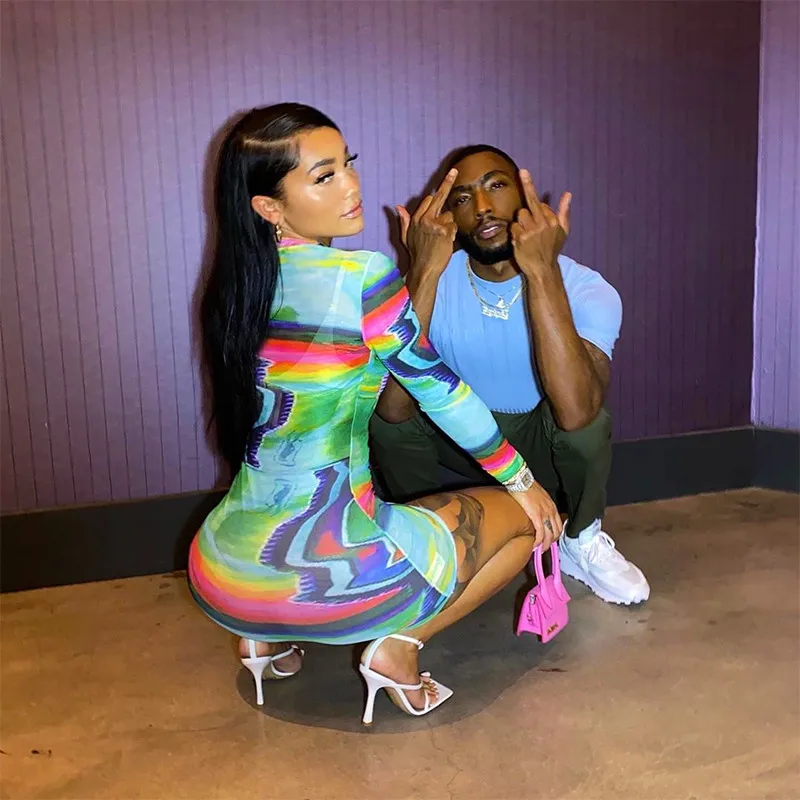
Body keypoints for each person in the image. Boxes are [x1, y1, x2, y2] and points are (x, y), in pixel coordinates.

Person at [188, 104, 563, 726]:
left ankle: (262, 643)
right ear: (269, 207)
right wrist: (521, 481)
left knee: (361, 507)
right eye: (324, 176)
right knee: (525, 526)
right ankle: (397, 651)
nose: (351, 186)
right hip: (337, 579)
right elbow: (440, 391)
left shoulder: (234, 287)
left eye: (348, 164)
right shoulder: (361, 275)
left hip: (224, 572)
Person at [370, 144, 650, 606]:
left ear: (525, 199)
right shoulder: (431, 280)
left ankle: (579, 540)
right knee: (388, 419)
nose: (482, 207)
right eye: (463, 198)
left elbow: (578, 413)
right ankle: (429, 534)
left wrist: (542, 272)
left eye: (496, 186)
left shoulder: (587, 289)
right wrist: (424, 271)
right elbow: (393, 411)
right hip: (458, 445)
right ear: (449, 218)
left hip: (539, 450)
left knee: (589, 420)